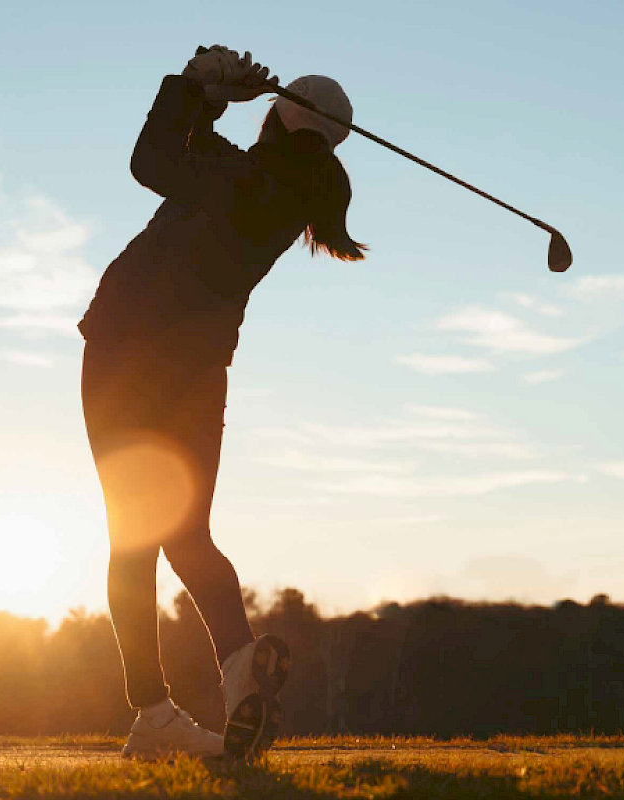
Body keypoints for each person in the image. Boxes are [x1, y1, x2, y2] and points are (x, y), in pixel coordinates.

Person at [78, 45, 364, 760]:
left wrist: (199, 86)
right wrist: (209, 99)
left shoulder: (234, 173)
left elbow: (151, 160)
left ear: (276, 118)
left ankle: (153, 716)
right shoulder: (293, 191)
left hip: (124, 358)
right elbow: (185, 155)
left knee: (132, 542)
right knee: (188, 539)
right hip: (200, 376)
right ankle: (241, 673)